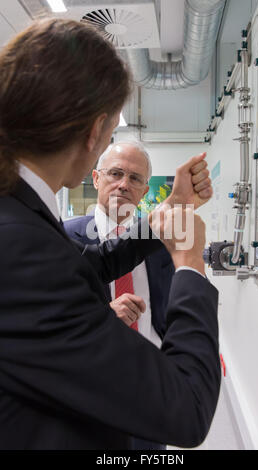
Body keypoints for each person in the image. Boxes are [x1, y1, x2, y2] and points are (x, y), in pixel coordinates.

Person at [0, 18, 220, 450]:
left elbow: (77, 267)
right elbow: (186, 410)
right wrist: (191, 264)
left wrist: (163, 217)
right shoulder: (21, 244)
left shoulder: (17, 214)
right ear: (93, 132)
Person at [64, 141, 176, 450]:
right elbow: (47, 317)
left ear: (143, 191)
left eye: (135, 179)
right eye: (116, 173)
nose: (124, 184)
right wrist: (100, 317)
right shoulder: (61, 237)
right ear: (97, 179)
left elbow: (174, 310)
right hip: (90, 387)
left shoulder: (162, 242)